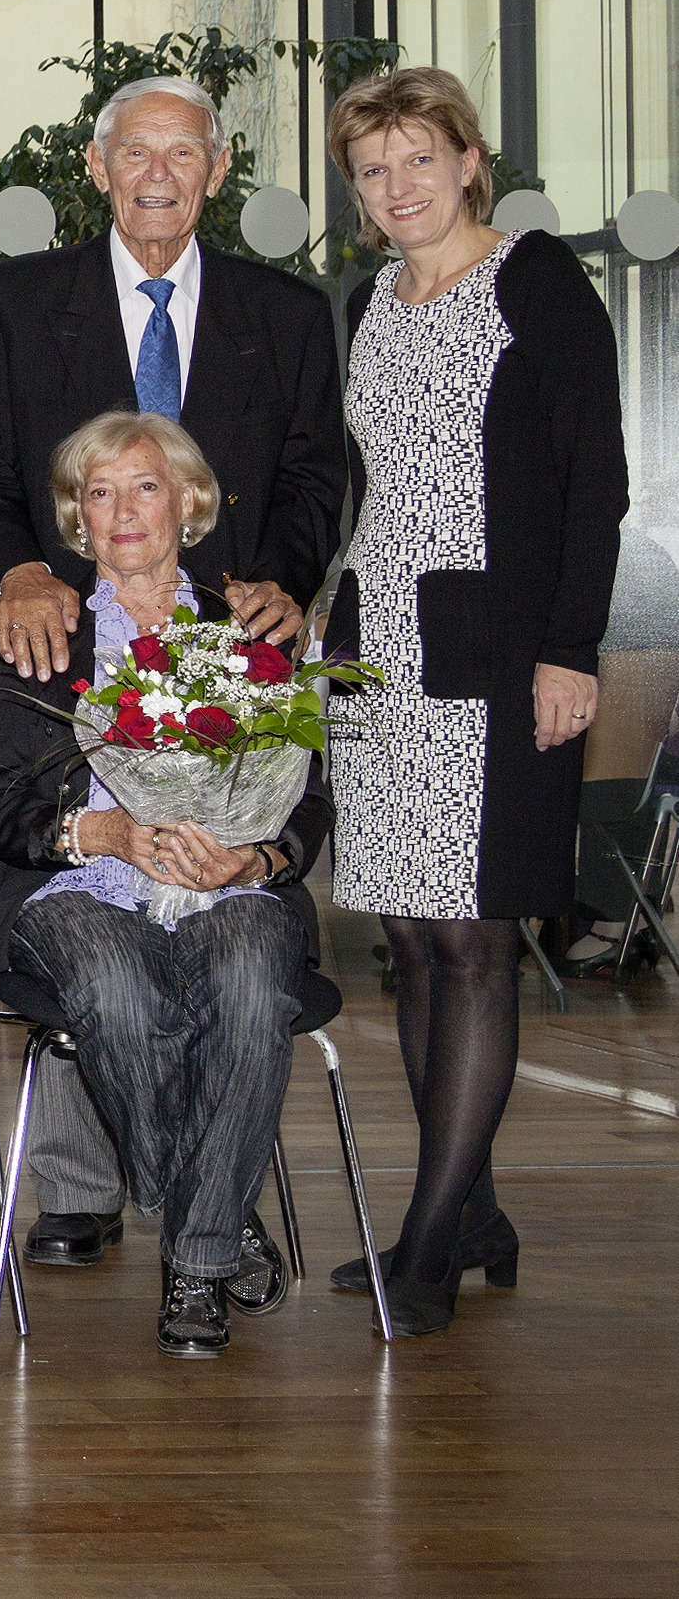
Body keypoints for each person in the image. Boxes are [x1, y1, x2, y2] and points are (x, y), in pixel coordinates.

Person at [0, 72, 344, 1275]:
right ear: (98, 165)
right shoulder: (18, 303)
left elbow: (313, 475)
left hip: (219, 655)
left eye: (185, 152)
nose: (160, 173)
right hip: (57, 632)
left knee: (220, 944)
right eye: (138, 152)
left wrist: (272, 585)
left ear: (218, 172)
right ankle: (155, 1209)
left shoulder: (282, 313)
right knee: (92, 911)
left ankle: (191, 1214)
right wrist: (24, 564)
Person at [319, 67, 625, 1336]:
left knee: (475, 939)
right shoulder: (371, 300)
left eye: (417, 161)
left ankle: (432, 1240)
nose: (397, 188)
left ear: (468, 160)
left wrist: (570, 647)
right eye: (372, 170)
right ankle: (476, 1204)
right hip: (380, 653)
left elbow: (591, 481)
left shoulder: (538, 281)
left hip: (500, 658)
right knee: (406, 941)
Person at [0, 414, 320, 1358]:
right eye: (98, 492)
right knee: (118, 987)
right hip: (77, 883)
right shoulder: (40, 630)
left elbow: (306, 792)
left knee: (249, 980)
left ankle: (194, 1261)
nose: (122, 511)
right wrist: (107, 832)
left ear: (189, 504)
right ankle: (215, 1228)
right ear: (76, 521)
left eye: (145, 487)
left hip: (227, 884)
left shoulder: (248, 628)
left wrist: (255, 858)